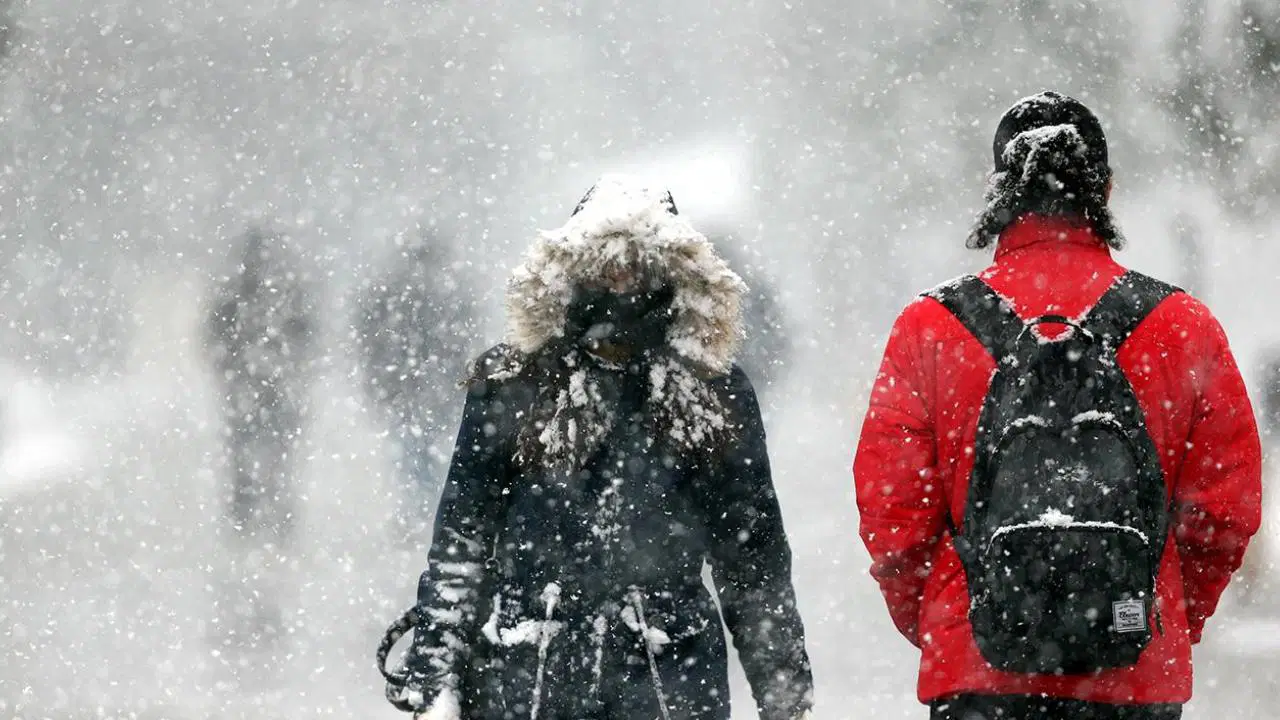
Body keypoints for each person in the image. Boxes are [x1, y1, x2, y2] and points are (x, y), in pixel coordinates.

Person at [853, 91, 1262, 720]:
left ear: (998, 190)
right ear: (1104, 188)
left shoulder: (929, 327)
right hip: (1135, 671)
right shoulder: (1182, 326)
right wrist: (1155, 608)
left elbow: (894, 515)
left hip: (977, 672)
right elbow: (1222, 513)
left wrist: (951, 615)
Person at [378, 175, 814, 720]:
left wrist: (784, 696)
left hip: (668, 676)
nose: (621, 278)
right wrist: (434, 678)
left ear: (674, 271)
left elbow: (753, 562)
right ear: (571, 268)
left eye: (639, 262)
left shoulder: (714, 390)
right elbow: (463, 542)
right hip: (528, 674)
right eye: (606, 261)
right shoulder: (514, 381)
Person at [353, 226, 479, 543]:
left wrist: (380, 378)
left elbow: (372, 336)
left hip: (407, 386)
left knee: (411, 449)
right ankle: (425, 507)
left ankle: (417, 509)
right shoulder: (448, 292)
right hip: (426, 386)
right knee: (424, 449)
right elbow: (461, 337)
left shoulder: (394, 290)